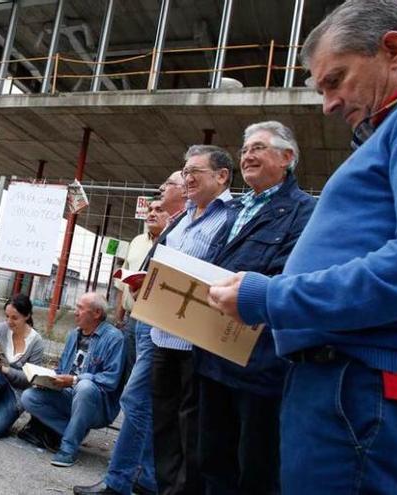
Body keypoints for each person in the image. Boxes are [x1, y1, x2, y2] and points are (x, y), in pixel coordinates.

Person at [208, 1, 397, 493]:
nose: (328, 104)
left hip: (372, 390)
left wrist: (273, 298)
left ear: (392, 49)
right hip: (353, 389)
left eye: (336, 80)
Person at [194, 121, 315, 494]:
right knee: (212, 461)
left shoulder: (305, 212)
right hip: (213, 356)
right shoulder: (233, 210)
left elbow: (291, 279)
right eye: (245, 149)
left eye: (259, 148)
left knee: (256, 470)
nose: (247, 155)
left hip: (259, 364)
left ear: (287, 158)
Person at [151, 145, 233, 495]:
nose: (186, 179)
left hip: (195, 343)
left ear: (221, 176)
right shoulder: (181, 218)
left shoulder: (232, 218)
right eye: (184, 173)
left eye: (194, 172)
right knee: (164, 424)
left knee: (192, 428)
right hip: (161, 336)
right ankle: (167, 488)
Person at [20, 292, 124, 468]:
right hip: (68, 396)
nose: (75, 312)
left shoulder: (114, 338)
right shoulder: (73, 335)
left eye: (80, 308)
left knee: (85, 387)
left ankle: (68, 449)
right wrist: (47, 379)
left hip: (97, 406)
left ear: (97, 313)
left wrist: (75, 380)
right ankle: (74, 432)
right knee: (29, 397)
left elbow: (110, 380)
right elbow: (62, 370)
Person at [0, 293, 45, 438]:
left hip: (16, 392)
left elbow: (30, 379)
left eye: (14, 318)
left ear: (27, 316)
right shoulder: (0, 330)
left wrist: (5, 369)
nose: (9, 322)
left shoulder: (36, 342)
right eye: (7, 316)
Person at [113, 199, 168, 376]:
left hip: (157, 321)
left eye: (159, 210)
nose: (152, 213)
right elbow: (122, 286)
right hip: (132, 318)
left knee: (149, 375)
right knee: (129, 370)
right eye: (150, 209)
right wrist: (119, 320)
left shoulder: (174, 243)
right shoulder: (136, 241)